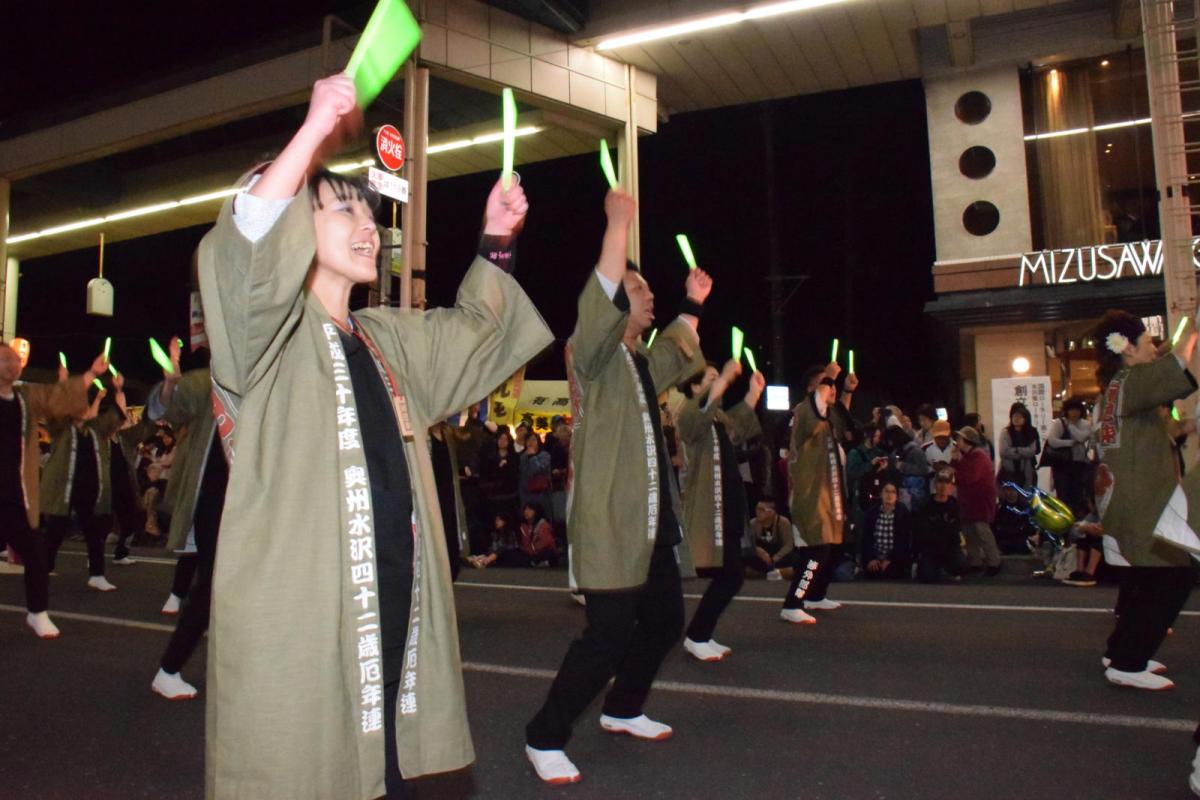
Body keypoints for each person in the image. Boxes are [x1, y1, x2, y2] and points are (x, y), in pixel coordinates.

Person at [198, 74, 553, 799]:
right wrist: (313, 132)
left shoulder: (385, 337)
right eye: (342, 210)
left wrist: (496, 242)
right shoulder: (260, 341)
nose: (369, 226)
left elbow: (474, 336)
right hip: (307, 627)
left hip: (397, 614)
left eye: (369, 211)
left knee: (392, 771)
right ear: (292, 227)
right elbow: (245, 250)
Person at [524, 188, 709, 785]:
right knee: (605, 636)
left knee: (664, 622)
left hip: (650, 521)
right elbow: (598, 301)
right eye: (638, 289)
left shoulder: (637, 362)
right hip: (611, 520)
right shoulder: (594, 358)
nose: (649, 295)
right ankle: (544, 735)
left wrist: (692, 302)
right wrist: (617, 227)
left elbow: (676, 353)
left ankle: (624, 708)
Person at [1091, 310, 1196, 692]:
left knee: (1143, 580)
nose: (1154, 348)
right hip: (1140, 501)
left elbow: (1172, 429)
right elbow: (1177, 361)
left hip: (1127, 499)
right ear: (1128, 348)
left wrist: (1193, 423)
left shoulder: (1116, 389)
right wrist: (1194, 328)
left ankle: (1120, 651)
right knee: (1173, 575)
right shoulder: (1131, 381)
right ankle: (1127, 662)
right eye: (1147, 342)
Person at [145, 338, 229, 701]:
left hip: (251, 502)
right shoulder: (207, 381)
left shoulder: (266, 381)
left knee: (234, 587)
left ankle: (232, 667)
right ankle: (169, 669)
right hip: (215, 499)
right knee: (213, 584)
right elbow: (170, 409)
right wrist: (170, 382)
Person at [0, 342, 100, 638]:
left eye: (14, 359)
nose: (12, 364)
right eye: (4, 359)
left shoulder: (25, 398)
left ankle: (37, 613)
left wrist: (91, 374)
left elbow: (56, 397)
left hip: (15, 495)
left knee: (35, 554)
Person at [676, 358, 765, 662]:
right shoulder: (690, 414)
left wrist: (753, 393)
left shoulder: (716, 418)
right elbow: (697, 416)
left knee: (731, 574)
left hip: (727, 504)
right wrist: (726, 376)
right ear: (694, 386)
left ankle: (699, 634)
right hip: (709, 507)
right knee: (731, 574)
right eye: (711, 379)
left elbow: (738, 425)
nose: (720, 383)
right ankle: (696, 635)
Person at [780, 362, 858, 624]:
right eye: (825, 384)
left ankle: (815, 595)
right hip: (809, 495)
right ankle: (793, 602)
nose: (830, 388)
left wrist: (846, 391)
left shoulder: (826, 415)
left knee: (835, 547)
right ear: (811, 389)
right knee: (817, 551)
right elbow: (812, 422)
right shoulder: (803, 412)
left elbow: (841, 417)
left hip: (829, 494)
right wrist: (829, 378)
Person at [42, 377, 127, 592]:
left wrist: (118, 390)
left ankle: (97, 575)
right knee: (55, 532)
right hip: (64, 490)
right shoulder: (61, 429)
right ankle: (44, 568)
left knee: (94, 533)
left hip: (89, 491)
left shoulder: (94, 430)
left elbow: (117, 416)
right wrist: (63, 384)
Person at [952, 426, 1001, 576]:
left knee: (981, 530)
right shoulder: (968, 455)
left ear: (967, 440)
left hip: (980, 499)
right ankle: (975, 561)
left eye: (959, 439)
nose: (957, 442)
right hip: (969, 499)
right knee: (969, 531)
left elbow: (971, 477)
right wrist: (954, 462)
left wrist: (954, 473)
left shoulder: (978, 455)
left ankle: (994, 561)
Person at [913, 470, 965, 582]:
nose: (943, 486)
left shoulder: (955, 506)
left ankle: (944, 570)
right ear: (935, 484)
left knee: (960, 564)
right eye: (940, 482)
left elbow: (956, 530)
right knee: (927, 576)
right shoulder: (925, 505)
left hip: (949, 547)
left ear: (951, 487)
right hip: (930, 547)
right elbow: (922, 531)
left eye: (947, 483)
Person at [1046, 399, 1093, 517]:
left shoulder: (1085, 424)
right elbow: (1052, 441)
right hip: (1062, 464)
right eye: (1071, 410)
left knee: (1078, 494)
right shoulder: (1059, 423)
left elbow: (1082, 438)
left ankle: (1076, 518)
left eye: (1077, 410)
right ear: (1066, 410)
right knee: (1063, 494)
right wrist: (1070, 443)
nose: (1074, 413)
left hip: (1079, 464)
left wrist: (1071, 426)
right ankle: (1063, 518)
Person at [861, 482, 912, 579]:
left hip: (895, 558)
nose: (889, 495)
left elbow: (904, 540)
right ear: (881, 494)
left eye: (893, 492)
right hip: (875, 557)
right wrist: (871, 558)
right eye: (887, 491)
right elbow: (866, 538)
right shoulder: (871, 513)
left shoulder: (903, 513)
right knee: (873, 573)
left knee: (893, 573)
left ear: (896, 496)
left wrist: (890, 559)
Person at [746, 499, 792, 580]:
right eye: (757, 509)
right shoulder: (753, 523)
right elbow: (749, 544)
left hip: (779, 555)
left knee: (794, 558)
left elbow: (788, 545)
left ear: (772, 512)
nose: (758, 512)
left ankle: (770, 573)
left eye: (762, 510)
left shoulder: (783, 522)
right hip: (762, 557)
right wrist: (760, 551)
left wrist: (775, 558)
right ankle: (772, 573)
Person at [998, 402, 1040, 490]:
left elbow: (1033, 451)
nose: (1016, 418)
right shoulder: (1006, 432)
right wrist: (1023, 453)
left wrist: (1017, 450)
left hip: (1028, 470)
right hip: (1009, 471)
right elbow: (1004, 451)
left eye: (1020, 416)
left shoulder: (1031, 432)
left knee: (1026, 493)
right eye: (1014, 416)